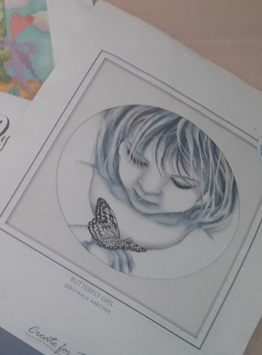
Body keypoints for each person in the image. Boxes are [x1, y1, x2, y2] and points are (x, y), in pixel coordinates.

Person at [69, 105, 238, 275]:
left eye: (180, 183)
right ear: (117, 146)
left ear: (211, 193)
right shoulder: (79, 171)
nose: (148, 188)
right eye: (136, 159)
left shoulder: (205, 250)